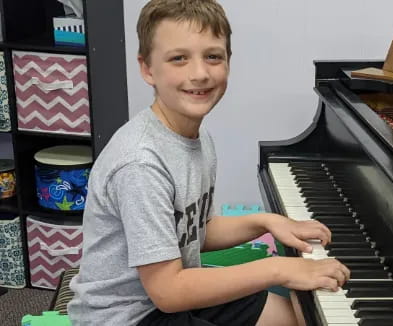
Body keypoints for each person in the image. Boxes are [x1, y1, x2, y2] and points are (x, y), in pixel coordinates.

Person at [67, 0, 350, 325]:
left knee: (293, 317)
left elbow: (197, 231)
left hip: (172, 290)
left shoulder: (196, 138)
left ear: (228, 62)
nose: (199, 73)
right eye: (178, 59)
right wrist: (278, 268)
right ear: (147, 69)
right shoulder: (140, 164)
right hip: (129, 316)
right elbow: (169, 291)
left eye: (213, 56)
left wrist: (267, 222)